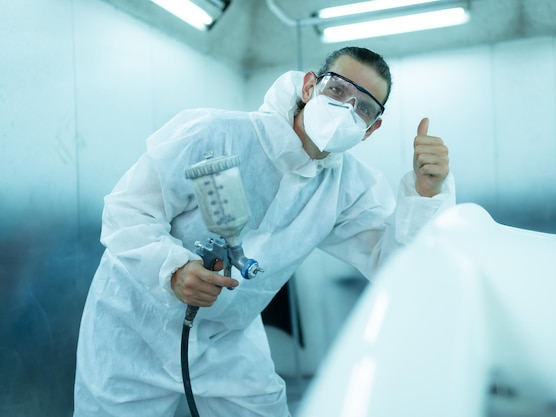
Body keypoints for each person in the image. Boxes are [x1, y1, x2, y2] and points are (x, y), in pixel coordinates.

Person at [73, 46, 456, 417]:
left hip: (227, 339)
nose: (345, 109)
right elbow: (128, 210)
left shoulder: (349, 188)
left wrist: (426, 194)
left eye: (364, 107)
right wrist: (171, 269)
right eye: (337, 90)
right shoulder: (214, 132)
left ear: (372, 129)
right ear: (310, 87)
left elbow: (398, 266)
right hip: (133, 325)